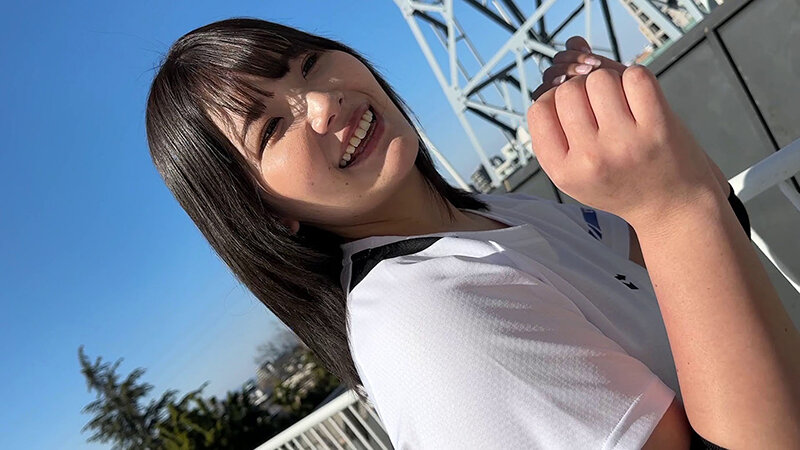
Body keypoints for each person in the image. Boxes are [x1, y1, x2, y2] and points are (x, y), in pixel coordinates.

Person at [145, 18, 800, 449]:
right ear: (265, 214)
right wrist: (669, 206)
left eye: (310, 62)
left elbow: (714, 251)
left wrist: (647, 144)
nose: (322, 103)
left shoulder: (489, 213)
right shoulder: (423, 317)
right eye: (271, 129)